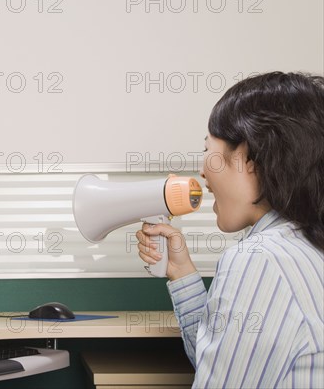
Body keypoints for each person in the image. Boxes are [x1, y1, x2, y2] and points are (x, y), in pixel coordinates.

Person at [136, 72, 324, 388]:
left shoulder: (261, 260)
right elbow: (227, 362)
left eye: (208, 147)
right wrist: (182, 273)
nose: (202, 169)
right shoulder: (304, 245)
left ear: (248, 156)